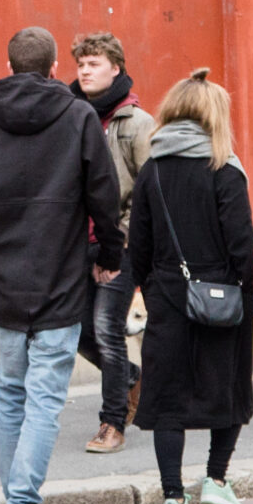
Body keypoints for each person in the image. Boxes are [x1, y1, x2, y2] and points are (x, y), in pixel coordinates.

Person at [0, 26, 127, 504]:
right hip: (61, 276)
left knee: (11, 394)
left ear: (9, 67)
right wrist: (110, 256)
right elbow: (103, 196)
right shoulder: (77, 116)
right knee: (45, 397)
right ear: (53, 69)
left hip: (3, 277)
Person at [128, 69, 253, 504]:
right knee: (229, 386)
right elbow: (241, 242)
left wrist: (152, 291)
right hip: (222, 297)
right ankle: (216, 480)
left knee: (168, 396)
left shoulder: (153, 170)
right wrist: (250, 295)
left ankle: (172, 498)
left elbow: (137, 248)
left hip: (167, 296)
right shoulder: (225, 167)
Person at [70, 32, 154, 454]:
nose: (84, 71)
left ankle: (112, 423)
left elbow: (148, 190)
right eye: (81, 64)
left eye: (94, 63)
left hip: (119, 244)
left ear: (116, 68)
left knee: (106, 329)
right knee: (77, 333)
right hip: (75, 245)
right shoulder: (69, 115)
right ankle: (130, 378)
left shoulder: (136, 122)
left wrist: (115, 242)